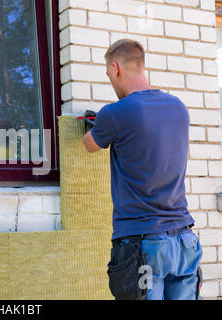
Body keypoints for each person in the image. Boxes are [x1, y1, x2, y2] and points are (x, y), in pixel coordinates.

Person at [82, 39, 203, 300]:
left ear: (115, 68)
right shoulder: (179, 108)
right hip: (184, 242)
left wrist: (96, 125)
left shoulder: (115, 113)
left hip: (143, 245)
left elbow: (89, 145)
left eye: (108, 75)